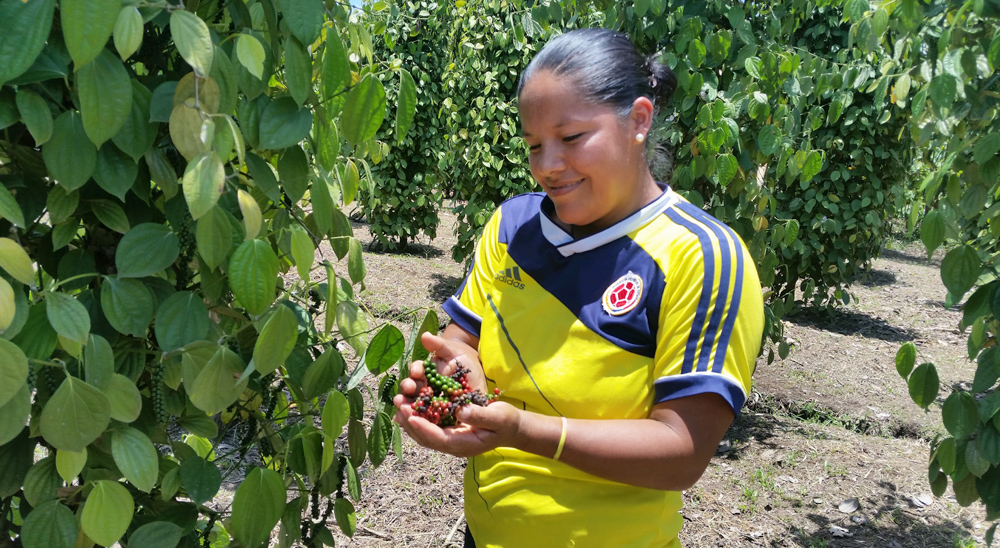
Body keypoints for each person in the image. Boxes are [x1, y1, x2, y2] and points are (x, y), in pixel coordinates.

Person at [393, 27, 764, 548]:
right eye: (534, 145)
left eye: (571, 139)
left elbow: (681, 451)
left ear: (638, 120)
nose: (547, 166)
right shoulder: (512, 226)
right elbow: (461, 339)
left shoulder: (701, 257)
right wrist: (458, 378)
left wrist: (526, 432)